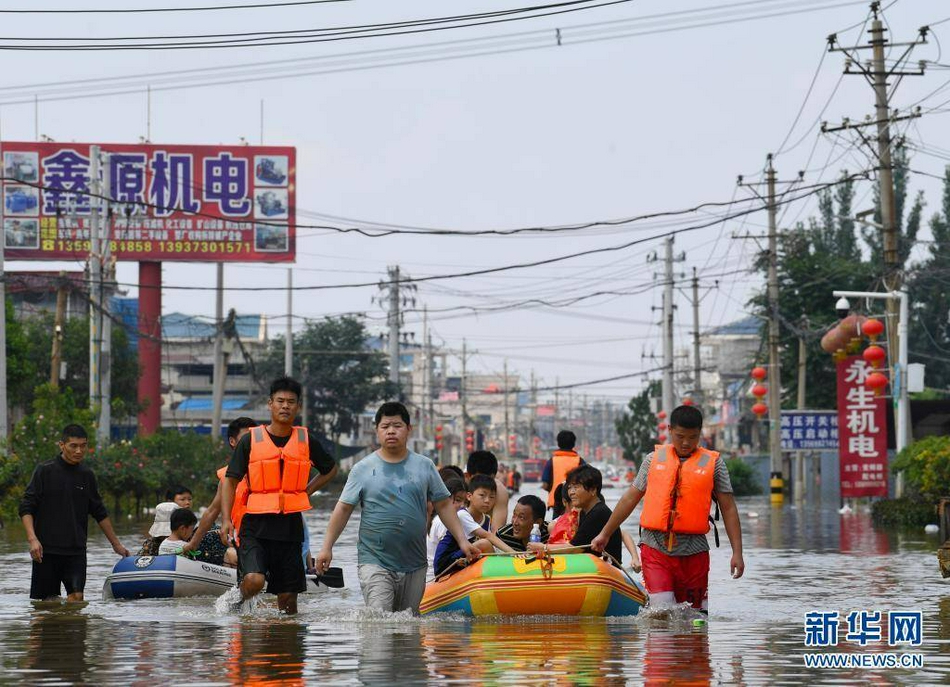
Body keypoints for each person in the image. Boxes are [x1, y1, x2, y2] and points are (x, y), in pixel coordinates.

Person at [315, 402, 480, 614]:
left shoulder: (424, 466)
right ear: (377, 431)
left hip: (415, 562)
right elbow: (343, 509)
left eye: (397, 425)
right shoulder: (362, 469)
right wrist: (326, 547)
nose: (391, 431)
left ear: (409, 429)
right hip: (374, 560)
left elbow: (444, 504)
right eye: (385, 426)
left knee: (408, 628)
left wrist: (463, 541)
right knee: (380, 623)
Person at [591, 405, 744, 612]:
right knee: (661, 613)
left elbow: (729, 509)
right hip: (655, 547)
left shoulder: (715, 464)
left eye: (693, 437)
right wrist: (605, 533)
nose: (686, 443)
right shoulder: (652, 460)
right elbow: (630, 499)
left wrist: (737, 553)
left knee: (695, 618)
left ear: (701, 433)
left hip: (695, 551)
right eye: (680, 436)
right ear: (670, 430)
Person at [219, 377, 339, 615]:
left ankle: (284, 645)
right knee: (254, 580)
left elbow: (330, 469)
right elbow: (230, 480)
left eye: (291, 402)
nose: (285, 406)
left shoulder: (306, 440)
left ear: (298, 407)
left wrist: (306, 490)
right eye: (280, 401)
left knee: (287, 603)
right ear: (270, 404)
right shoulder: (250, 440)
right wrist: (226, 520)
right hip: (255, 526)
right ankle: (234, 602)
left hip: (289, 527)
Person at [18, 424, 130, 601]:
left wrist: (116, 544)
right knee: (47, 605)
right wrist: (33, 540)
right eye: (73, 446)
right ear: (62, 445)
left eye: (83, 446)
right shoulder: (44, 471)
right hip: (46, 551)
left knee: (77, 598)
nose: (79, 451)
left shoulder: (87, 475)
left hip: (76, 550)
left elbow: (99, 512)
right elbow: (26, 507)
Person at [182, 417, 258, 565]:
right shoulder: (226, 477)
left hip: (269, 538)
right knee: (231, 554)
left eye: (254, 439)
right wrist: (192, 544)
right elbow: (212, 511)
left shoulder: (268, 469)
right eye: (245, 439)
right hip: (243, 540)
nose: (251, 443)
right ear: (233, 442)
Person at [528, 464, 622, 564]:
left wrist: (543, 547)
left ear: (593, 490)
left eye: (576, 487)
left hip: (608, 570)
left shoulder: (598, 513)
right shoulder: (585, 512)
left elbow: (575, 548)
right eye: (570, 487)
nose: (571, 492)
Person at [433, 475, 517, 577]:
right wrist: (514, 553)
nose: (487, 501)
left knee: (486, 545)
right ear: (469, 496)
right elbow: (488, 537)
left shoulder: (486, 519)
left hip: (464, 557)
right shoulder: (462, 514)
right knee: (484, 544)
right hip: (445, 562)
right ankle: (499, 574)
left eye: (492, 497)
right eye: (482, 495)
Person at [427, 476, 468, 568]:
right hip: (434, 576)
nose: (462, 505)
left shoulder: (453, 518)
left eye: (465, 502)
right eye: (458, 500)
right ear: (445, 499)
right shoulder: (442, 522)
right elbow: (443, 557)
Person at [541, 431, 585, 510]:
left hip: (557, 504)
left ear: (558, 443)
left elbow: (545, 485)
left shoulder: (551, 461)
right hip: (576, 503)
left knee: (557, 522)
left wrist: (553, 490)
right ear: (573, 444)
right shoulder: (580, 461)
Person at [466, 450, 508, 531]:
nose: (485, 484)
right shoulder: (458, 487)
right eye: (479, 480)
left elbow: (497, 531)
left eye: (489, 480)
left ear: (494, 477)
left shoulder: (499, 491)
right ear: (468, 476)